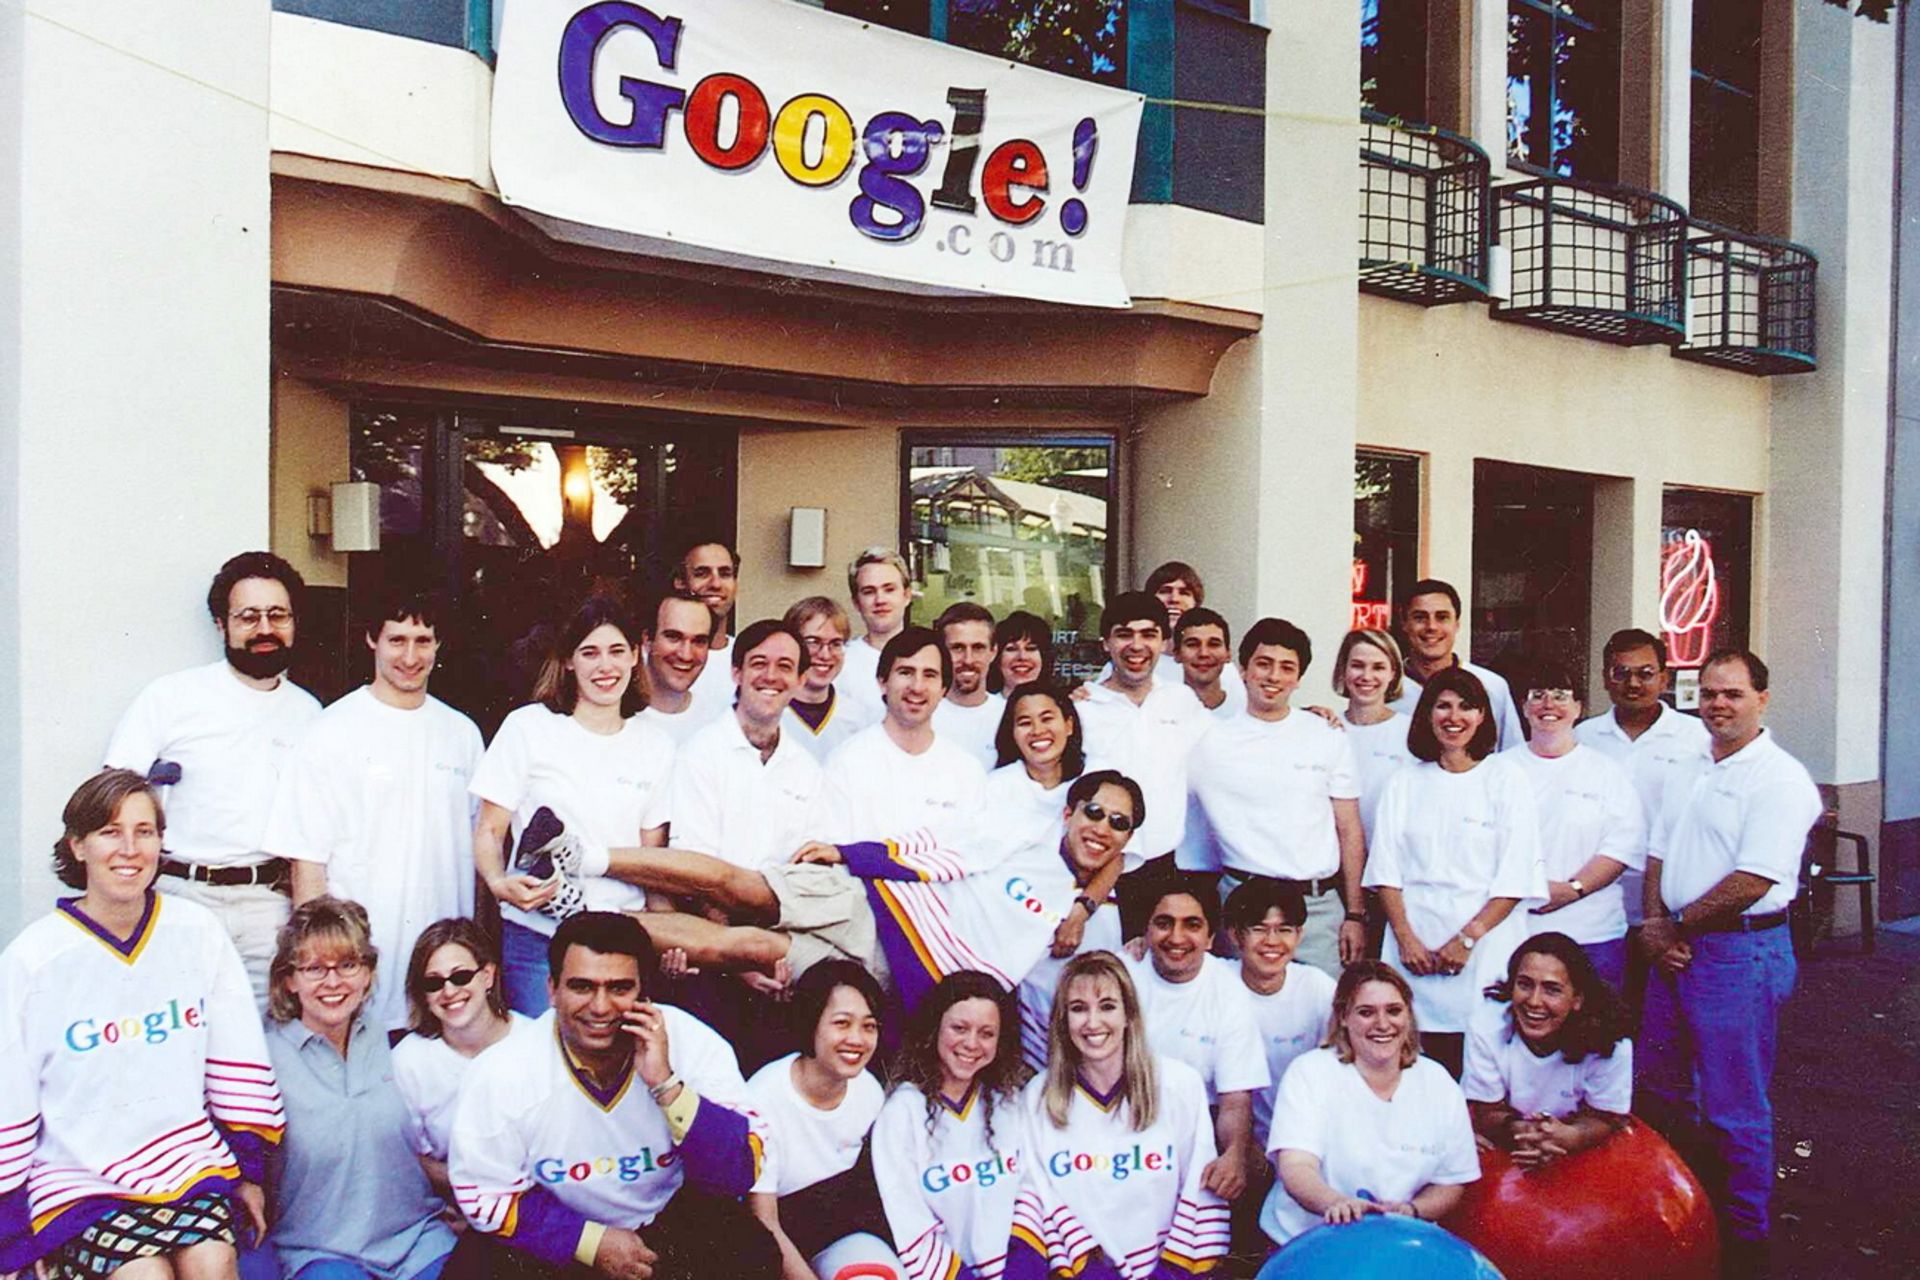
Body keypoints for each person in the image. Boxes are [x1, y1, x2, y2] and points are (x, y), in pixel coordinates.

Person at [542, 770, 1138, 1019]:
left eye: (1119, 823)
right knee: (742, 886)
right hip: (875, 904)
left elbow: (1108, 866)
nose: (1101, 828)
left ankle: (584, 918)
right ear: (1068, 811)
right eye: (1094, 812)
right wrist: (851, 854)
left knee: (744, 946)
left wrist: (1082, 906)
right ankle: (585, 855)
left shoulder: (1088, 905)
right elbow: (941, 847)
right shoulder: (1025, 828)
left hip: (884, 971)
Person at [0, 770, 285, 1280]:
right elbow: (9, 1100)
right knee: (144, 1276)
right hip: (80, 1181)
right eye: (110, 831)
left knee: (213, 1261)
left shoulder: (196, 932)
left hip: (187, 1163)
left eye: (145, 831)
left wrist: (249, 1173)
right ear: (78, 846)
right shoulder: (32, 960)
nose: (130, 849)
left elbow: (237, 1060)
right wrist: (13, 1235)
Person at [448, 912, 777, 1280]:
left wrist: (666, 1085)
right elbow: (485, 1196)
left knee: (753, 1251)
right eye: (582, 986)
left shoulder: (692, 1042)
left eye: (619, 988)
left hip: (663, 1222)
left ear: (644, 992)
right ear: (552, 989)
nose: (601, 1007)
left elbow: (740, 1170)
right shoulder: (502, 1071)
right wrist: (590, 1243)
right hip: (562, 1233)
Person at [1637, 650, 1820, 1276]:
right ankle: (1687, 1218)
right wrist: (1656, 930)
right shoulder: (1690, 763)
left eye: (1733, 694)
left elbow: (1753, 878)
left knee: (1733, 1103)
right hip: (1679, 947)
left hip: (1740, 951)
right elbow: (1658, 852)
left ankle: (1745, 1240)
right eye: (1709, 693)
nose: (1718, 705)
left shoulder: (1781, 779)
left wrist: (1675, 926)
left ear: (1762, 699)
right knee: (1664, 1089)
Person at [102, 551, 322, 1005]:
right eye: (248, 616)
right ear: (222, 625)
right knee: (175, 1031)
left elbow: (313, 827)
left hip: (269, 910)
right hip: (180, 897)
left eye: (277, 615)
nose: (265, 628)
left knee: (264, 1043)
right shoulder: (171, 697)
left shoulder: (310, 714)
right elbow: (113, 795)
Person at [265, 590, 484, 1029]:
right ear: (371, 640)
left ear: (438, 645)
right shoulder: (329, 732)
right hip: (359, 977)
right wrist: (324, 965)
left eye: (423, 641)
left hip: (442, 983)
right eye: (396, 639)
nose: (410, 655)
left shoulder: (462, 734)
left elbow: (479, 858)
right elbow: (307, 862)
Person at [471, 596, 676, 1015]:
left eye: (618, 651)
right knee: (544, 1064)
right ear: (567, 661)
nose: (606, 667)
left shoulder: (656, 744)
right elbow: (490, 831)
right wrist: (498, 883)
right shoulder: (528, 728)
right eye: (590, 652)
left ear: (637, 655)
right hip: (538, 936)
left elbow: (652, 863)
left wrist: (671, 933)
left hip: (622, 936)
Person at [1364, 666, 1545, 1076]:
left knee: (1482, 1063)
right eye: (1442, 706)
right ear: (1426, 715)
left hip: (1484, 947)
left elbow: (1517, 875)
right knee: (1410, 1061)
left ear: (1482, 716)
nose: (1454, 716)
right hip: (1414, 950)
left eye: (1466, 706)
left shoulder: (1505, 777)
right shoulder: (1405, 782)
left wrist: (1467, 939)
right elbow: (1386, 870)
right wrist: (1407, 939)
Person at [263, 897, 455, 1280]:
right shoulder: (265, 1057)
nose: (333, 982)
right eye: (314, 969)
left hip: (419, 1238)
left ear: (368, 972)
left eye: (348, 965)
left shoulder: (395, 1043)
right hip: (320, 1251)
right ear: (289, 978)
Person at [1006, 952, 1228, 1280]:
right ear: (1062, 1020)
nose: (1093, 1023)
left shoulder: (1179, 1085)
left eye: (1107, 1006)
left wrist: (1171, 1274)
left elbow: (1198, 1190)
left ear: (1129, 1015)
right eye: (1078, 1008)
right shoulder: (1039, 1097)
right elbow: (1039, 1197)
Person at [1188, 618, 1367, 976]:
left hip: (1316, 910)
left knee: (1324, 1017)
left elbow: (1349, 830)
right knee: (1241, 1018)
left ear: (1299, 678)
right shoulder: (1209, 740)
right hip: (1241, 903)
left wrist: (1355, 914)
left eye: (1287, 668)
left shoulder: (1326, 735)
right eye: (1263, 664)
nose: (1273, 676)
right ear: (1243, 670)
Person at [1258, 961, 1478, 1246]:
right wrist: (1336, 1204)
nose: (1383, 1024)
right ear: (1344, 1017)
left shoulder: (1439, 1082)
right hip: (1307, 1241)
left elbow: (1451, 1181)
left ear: (1409, 1015)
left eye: (1394, 1011)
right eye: (1366, 1012)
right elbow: (1296, 1167)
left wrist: (1413, 1210)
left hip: (1399, 1242)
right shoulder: (1309, 1073)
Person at [746, 962, 901, 1280]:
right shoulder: (762, 1099)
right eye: (842, 1023)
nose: (856, 1039)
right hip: (775, 1243)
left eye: (868, 1026)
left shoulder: (868, 1090)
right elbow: (764, 1220)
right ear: (811, 1022)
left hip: (845, 1235)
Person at [1121, 879, 1270, 1206]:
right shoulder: (1121, 976)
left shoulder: (1228, 992)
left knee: (1251, 1164)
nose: (1176, 937)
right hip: (1127, 1115)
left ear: (1210, 938)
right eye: (1163, 923)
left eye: (1192, 925)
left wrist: (1233, 1155)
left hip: (1201, 1119)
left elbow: (1235, 1099)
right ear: (1146, 932)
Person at [873, 973, 1030, 1280]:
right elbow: (908, 1220)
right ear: (935, 1028)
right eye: (959, 1028)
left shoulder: (1010, 1104)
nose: (971, 1043)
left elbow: (1030, 1196)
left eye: (987, 1033)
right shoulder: (902, 1112)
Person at [1575, 628, 1711, 979]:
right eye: (1621, 673)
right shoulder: (1582, 738)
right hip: (1598, 907)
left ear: (1664, 677)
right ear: (1605, 678)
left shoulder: (1696, 739)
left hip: (1669, 907)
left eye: (1645, 673)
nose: (1633, 683)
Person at [1074, 593, 1212, 937]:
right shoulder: (1080, 709)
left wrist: (1310, 716)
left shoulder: (1181, 701)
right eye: (1124, 634)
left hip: (1162, 872)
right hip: (1096, 873)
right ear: (1106, 643)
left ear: (1165, 642)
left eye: (1149, 634)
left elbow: (1228, 747)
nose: (1137, 646)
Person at [1504, 664, 1645, 989]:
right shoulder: (1499, 770)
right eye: (1537, 696)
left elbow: (1622, 847)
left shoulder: (1607, 772)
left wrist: (1573, 890)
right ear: (1524, 708)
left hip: (1593, 934)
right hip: (1516, 932)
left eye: (1560, 696)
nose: (1548, 705)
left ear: (1579, 708)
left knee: (1594, 1033)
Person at [391, 919, 533, 1206]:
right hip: (453, 1205)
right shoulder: (408, 1060)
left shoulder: (535, 1041)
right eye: (433, 982)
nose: (449, 991)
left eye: (461, 976)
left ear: (488, 976)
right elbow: (412, 1158)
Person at [1464, 933, 1633, 1166]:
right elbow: (1486, 1111)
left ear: (1577, 999)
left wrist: (1572, 1137)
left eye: (1552, 989)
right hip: (1510, 1139)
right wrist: (1521, 1131)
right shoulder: (1486, 1025)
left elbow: (1604, 1116)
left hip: (1581, 1144)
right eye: (1524, 984)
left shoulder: (1611, 1041)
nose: (1534, 1001)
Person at [823, 626, 987, 842]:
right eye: (905, 672)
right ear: (883, 682)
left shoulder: (966, 771)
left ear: (943, 690)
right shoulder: (845, 763)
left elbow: (974, 855)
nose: (917, 687)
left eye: (929, 675)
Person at [1222, 881, 1335, 1190]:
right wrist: (1139, 946)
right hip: (1236, 1144)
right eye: (1259, 929)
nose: (1272, 942)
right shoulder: (1215, 980)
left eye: (1284, 930)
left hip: (1302, 1143)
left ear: (1299, 935)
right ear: (1234, 935)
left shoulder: (1317, 987)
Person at [1387, 580, 1525, 751]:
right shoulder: (1385, 689)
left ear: (1457, 624)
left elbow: (1512, 755)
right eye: (1420, 618)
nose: (1431, 626)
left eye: (1442, 617)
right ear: (1404, 624)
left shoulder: (1491, 686)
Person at [1332, 629, 1416, 842]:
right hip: (1335, 865)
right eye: (1357, 666)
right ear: (1343, 670)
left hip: (1391, 865)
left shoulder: (1412, 733)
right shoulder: (1326, 729)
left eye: (1378, 667)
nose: (1366, 676)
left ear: (1393, 674)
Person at [782, 597, 877, 761]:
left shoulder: (858, 717)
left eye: (835, 643)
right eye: (813, 642)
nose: (825, 654)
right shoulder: (770, 714)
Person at [836, 547, 913, 725]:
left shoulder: (932, 659)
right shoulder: (840, 662)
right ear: (856, 602)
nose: (880, 600)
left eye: (889, 589)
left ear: (907, 595)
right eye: (869, 591)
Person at [638, 592, 725, 745]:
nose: (686, 655)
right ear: (647, 641)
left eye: (699, 641)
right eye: (674, 637)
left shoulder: (719, 724)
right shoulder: (614, 718)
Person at [675, 538, 743, 714]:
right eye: (702, 573)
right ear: (680, 582)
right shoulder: (660, 659)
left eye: (725, 573)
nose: (715, 584)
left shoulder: (747, 658)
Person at [931, 602, 1002, 770]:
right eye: (957, 648)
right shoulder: (923, 715)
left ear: (993, 652)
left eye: (978, 648)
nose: (968, 659)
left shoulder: (1010, 716)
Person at [1171, 608, 1244, 717]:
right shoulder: (1161, 710)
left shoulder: (1243, 709)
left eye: (1214, 644)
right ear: (1177, 654)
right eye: (1192, 644)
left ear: (1228, 654)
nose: (1203, 653)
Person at [986, 611, 1053, 696]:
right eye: (1011, 649)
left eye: (1030, 648)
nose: (1022, 656)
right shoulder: (983, 707)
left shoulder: (1062, 706)